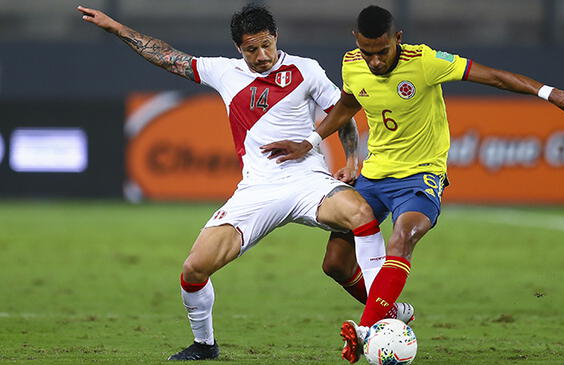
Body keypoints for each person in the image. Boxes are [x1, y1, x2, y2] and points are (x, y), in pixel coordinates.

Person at [261, 5, 564, 363]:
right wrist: (311, 142)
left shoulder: (426, 62)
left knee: (402, 238)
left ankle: (366, 329)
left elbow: (493, 77)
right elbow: (347, 105)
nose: (375, 62)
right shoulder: (352, 63)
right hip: (374, 176)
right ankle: (392, 311)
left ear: (398, 39)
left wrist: (549, 94)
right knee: (335, 264)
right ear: (356, 42)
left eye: (382, 52)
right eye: (367, 53)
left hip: (420, 175)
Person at [77, 4, 414, 361]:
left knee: (361, 212)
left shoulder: (306, 69)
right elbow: (168, 56)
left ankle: (379, 316)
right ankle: (204, 345)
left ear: (276, 38)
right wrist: (116, 28)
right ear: (239, 48)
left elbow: (342, 113)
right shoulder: (225, 72)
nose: (262, 55)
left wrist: (350, 160)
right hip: (257, 190)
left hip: (308, 183)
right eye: (252, 49)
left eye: (267, 45)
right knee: (194, 268)